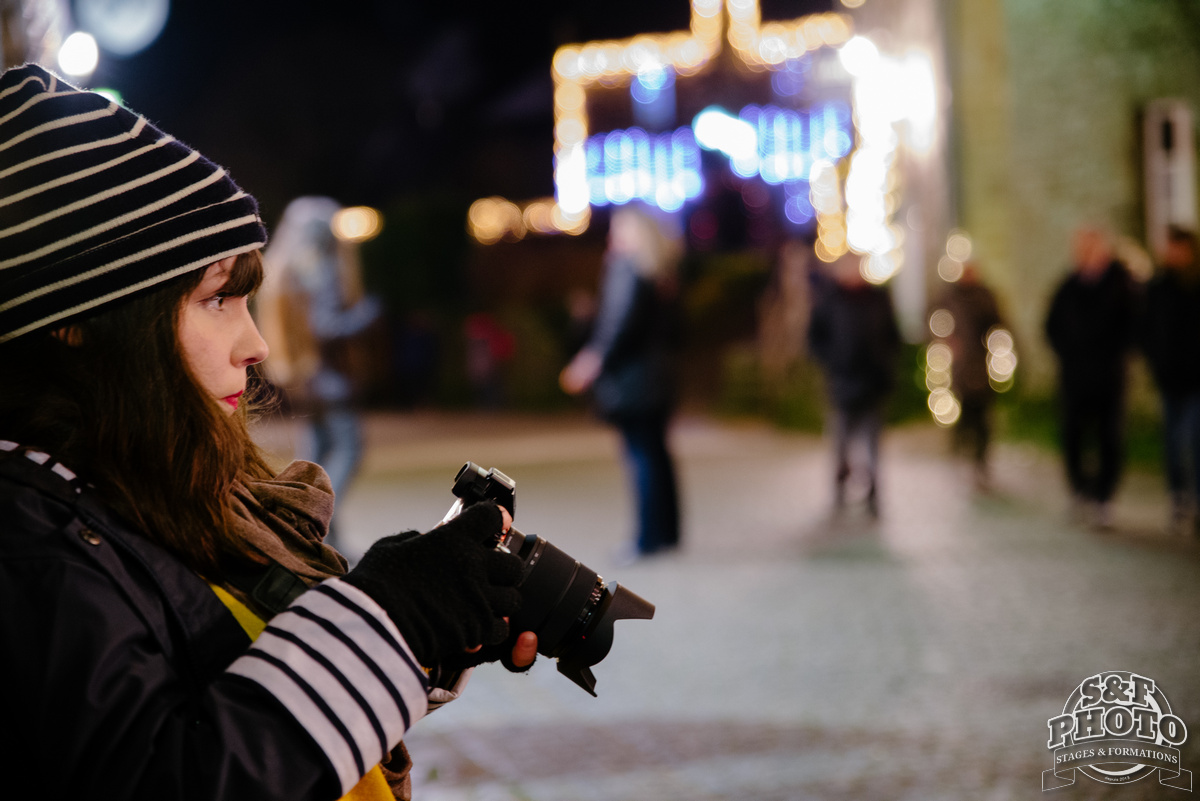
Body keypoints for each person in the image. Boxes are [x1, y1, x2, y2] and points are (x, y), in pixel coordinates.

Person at [0, 64, 535, 801]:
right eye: (215, 298)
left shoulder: (128, 481)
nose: (254, 345)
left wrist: (427, 637)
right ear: (76, 322)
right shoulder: (26, 546)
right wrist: (386, 614)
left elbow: (230, 688)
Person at [256, 196, 383, 551]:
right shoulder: (319, 267)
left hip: (302, 377)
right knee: (348, 450)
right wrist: (366, 315)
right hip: (331, 379)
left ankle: (324, 534)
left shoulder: (283, 267)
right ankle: (320, 520)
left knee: (315, 459)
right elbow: (327, 326)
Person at [560, 204, 683, 561]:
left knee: (641, 456)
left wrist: (592, 360)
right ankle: (668, 533)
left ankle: (646, 538)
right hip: (660, 378)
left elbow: (617, 322)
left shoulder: (626, 268)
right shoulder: (662, 274)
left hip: (632, 381)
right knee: (658, 454)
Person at [1045, 225, 1138, 529]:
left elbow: (1133, 324)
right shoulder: (1069, 285)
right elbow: (1051, 325)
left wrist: (1116, 353)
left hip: (1108, 375)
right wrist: (1067, 352)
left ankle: (1104, 497)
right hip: (1075, 376)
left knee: (1109, 436)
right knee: (1073, 434)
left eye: (1090, 247)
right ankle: (1079, 490)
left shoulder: (1120, 283)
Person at [807, 253, 900, 517]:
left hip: (873, 380)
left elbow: (893, 336)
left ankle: (873, 490)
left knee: (872, 441)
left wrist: (886, 363)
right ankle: (840, 487)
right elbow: (815, 338)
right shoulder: (829, 301)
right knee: (841, 441)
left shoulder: (878, 299)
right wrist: (832, 360)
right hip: (842, 381)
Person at [1141, 226, 1200, 535]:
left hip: (1195, 379)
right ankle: (1177, 497)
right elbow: (1146, 329)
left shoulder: (1194, 286)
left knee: (1194, 438)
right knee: (1173, 442)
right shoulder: (1158, 287)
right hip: (1169, 378)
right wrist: (1155, 362)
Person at [936, 262, 1005, 489]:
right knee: (963, 410)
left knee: (982, 413)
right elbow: (934, 320)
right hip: (958, 364)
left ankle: (980, 460)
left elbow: (999, 322)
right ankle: (961, 451)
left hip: (982, 362)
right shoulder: (950, 297)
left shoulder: (985, 296)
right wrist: (947, 341)